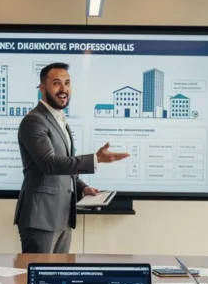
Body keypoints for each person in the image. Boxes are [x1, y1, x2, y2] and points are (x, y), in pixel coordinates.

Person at [13, 62, 130, 253]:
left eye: (67, 83)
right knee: (38, 278)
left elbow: (65, 167)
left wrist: (83, 188)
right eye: (57, 83)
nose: (64, 89)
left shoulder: (60, 121)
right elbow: (49, 164)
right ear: (42, 88)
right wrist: (95, 159)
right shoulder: (34, 121)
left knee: (59, 278)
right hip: (41, 218)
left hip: (63, 217)